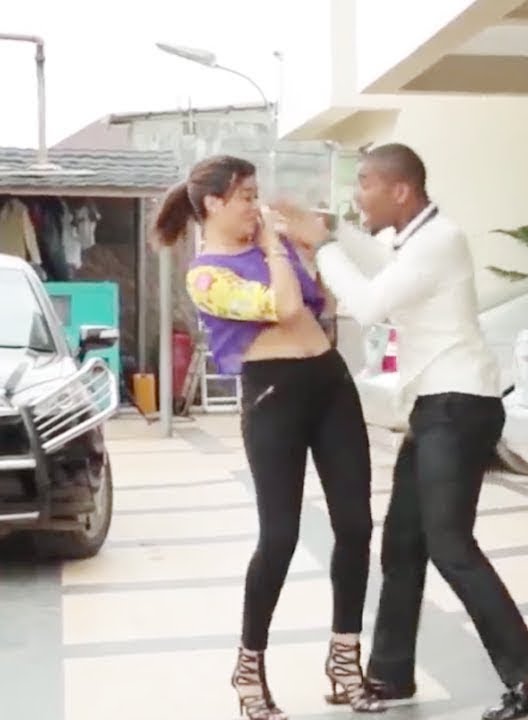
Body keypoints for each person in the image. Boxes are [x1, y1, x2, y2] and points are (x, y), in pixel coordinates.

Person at [275, 143, 528, 720]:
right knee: (403, 543)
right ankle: (391, 674)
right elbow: (382, 265)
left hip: (459, 408)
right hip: (436, 408)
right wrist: (332, 231)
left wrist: (325, 244)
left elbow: (368, 303)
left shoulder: (441, 240)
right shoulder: (416, 241)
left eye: (364, 183)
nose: (358, 195)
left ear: (400, 190)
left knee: (450, 545)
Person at [154, 155, 385, 719]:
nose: (255, 206)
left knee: (356, 526)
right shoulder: (206, 274)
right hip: (274, 397)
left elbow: (317, 305)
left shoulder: (271, 250)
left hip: (330, 382)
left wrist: (305, 245)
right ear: (213, 203)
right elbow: (282, 307)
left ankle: (345, 660)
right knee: (279, 536)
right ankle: (249, 666)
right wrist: (275, 249)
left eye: (256, 194)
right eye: (245, 196)